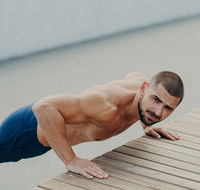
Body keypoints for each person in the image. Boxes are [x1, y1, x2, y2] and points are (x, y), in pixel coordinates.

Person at [0, 71, 184, 179]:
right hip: (25, 134)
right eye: (156, 100)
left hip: (42, 129)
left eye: (168, 108)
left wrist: (147, 122)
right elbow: (43, 108)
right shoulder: (104, 105)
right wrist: (71, 160)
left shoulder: (143, 92)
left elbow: (135, 74)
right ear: (143, 89)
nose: (158, 112)